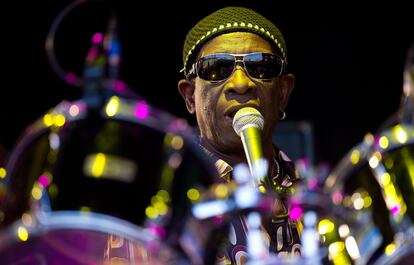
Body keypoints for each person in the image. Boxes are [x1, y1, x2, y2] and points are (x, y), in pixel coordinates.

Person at [177, 6, 302, 264]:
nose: (241, 83)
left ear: (283, 93)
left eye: (261, 67)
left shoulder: (314, 198)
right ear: (190, 96)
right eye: (216, 68)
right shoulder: (171, 199)